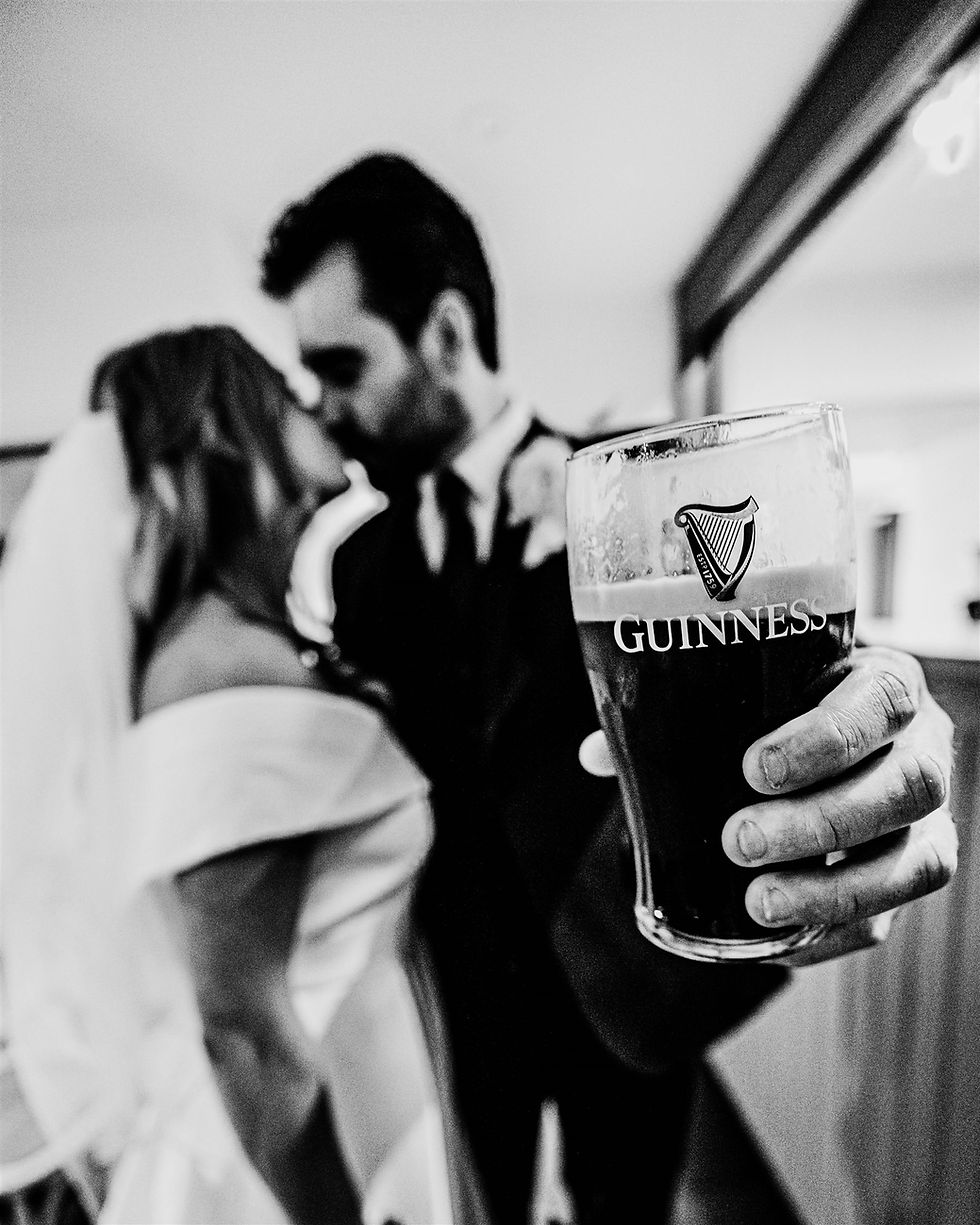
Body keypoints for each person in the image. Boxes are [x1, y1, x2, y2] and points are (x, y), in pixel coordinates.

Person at [259, 152, 958, 1225]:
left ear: (444, 333)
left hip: (629, 987)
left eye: (340, 367)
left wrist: (878, 731)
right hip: (456, 993)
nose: (325, 408)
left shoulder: (645, 486)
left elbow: (773, 656)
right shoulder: (356, 567)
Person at [0, 325, 488, 1225]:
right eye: (285, 393)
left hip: (358, 1090)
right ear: (236, 432)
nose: (315, 410)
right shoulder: (219, 672)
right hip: (292, 1163)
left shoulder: (225, 644)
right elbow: (245, 1035)